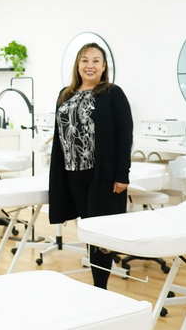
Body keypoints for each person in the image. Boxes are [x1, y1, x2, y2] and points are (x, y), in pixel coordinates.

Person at [48, 42, 133, 290]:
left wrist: (122, 174)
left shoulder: (112, 93)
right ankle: (99, 281)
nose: (90, 65)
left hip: (102, 176)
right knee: (87, 227)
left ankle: (100, 287)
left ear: (104, 66)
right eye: (85, 60)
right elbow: (59, 136)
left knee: (100, 232)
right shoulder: (65, 94)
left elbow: (125, 134)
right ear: (78, 64)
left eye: (96, 60)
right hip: (72, 173)